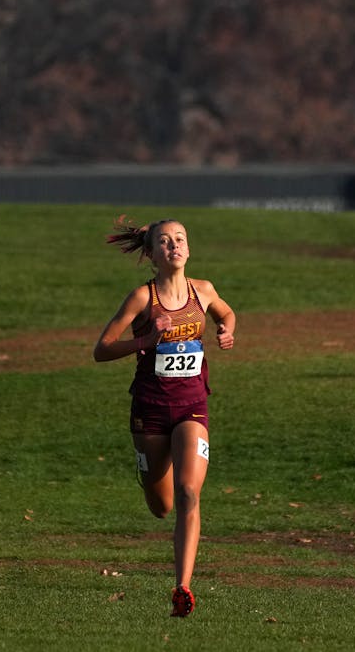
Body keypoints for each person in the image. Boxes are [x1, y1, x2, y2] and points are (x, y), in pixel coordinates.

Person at [93, 216, 236, 618]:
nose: (174, 245)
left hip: (193, 408)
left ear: (188, 249)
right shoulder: (142, 298)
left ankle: (182, 587)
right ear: (153, 255)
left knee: (190, 491)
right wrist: (145, 341)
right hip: (150, 412)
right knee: (162, 506)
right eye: (164, 241)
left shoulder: (203, 291)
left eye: (180, 239)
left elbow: (227, 314)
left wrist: (226, 330)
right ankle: (154, 470)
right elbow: (101, 349)